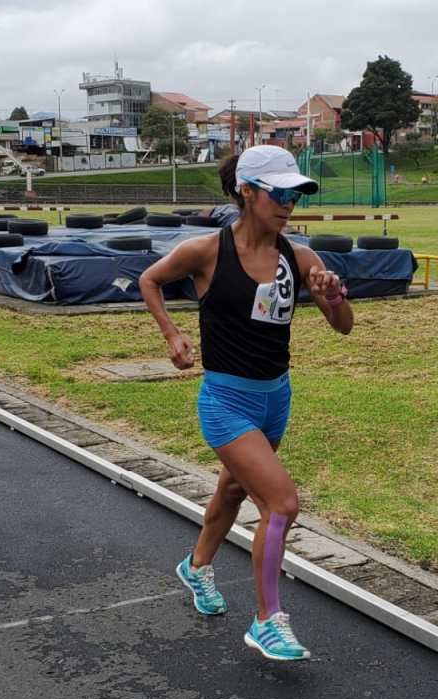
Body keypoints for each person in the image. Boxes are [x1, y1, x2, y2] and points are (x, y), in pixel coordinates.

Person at [139, 146, 353, 660]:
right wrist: (172, 335)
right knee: (281, 504)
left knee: (234, 489)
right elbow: (150, 280)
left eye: (295, 196)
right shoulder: (205, 251)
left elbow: (344, 327)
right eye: (279, 194)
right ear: (248, 192)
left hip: (275, 398)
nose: (289, 205)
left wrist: (331, 294)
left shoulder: (301, 258)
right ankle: (267, 620)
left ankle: (196, 567)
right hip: (226, 402)